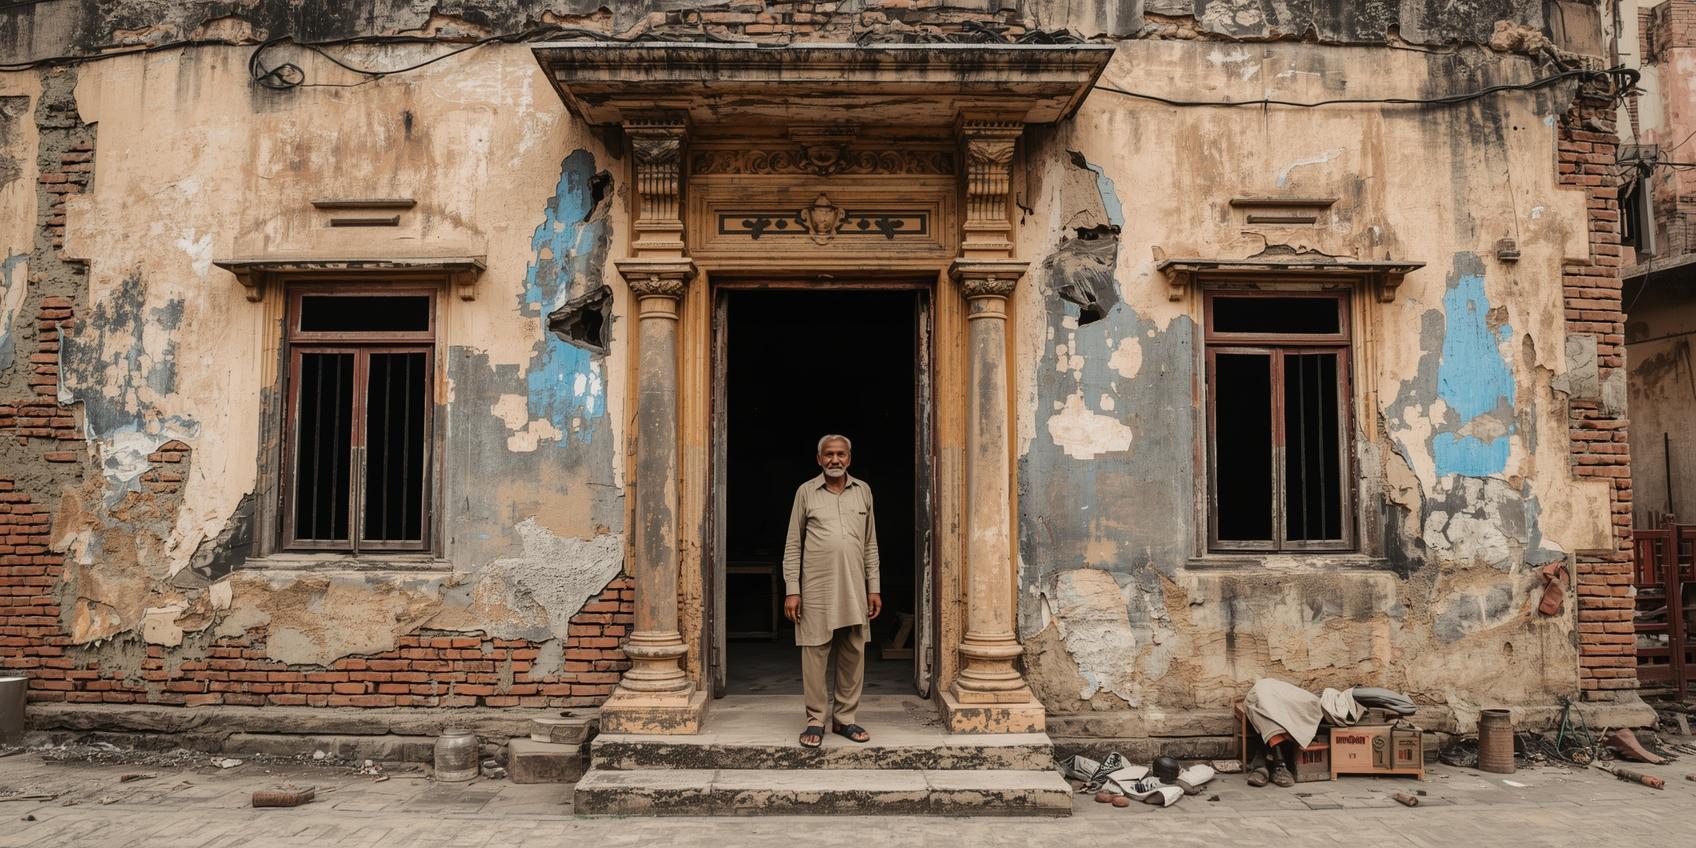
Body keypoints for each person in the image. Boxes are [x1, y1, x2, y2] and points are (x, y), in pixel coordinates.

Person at [783, 434, 882, 748]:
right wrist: (792, 590)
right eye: (829, 455)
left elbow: (870, 545)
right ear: (819, 459)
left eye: (840, 454)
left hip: (855, 585)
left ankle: (845, 719)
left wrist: (874, 588)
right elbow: (793, 544)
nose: (834, 460)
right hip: (816, 587)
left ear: (849, 459)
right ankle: (815, 720)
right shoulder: (806, 492)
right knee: (815, 652)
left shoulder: (863, 491)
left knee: (854, 650)